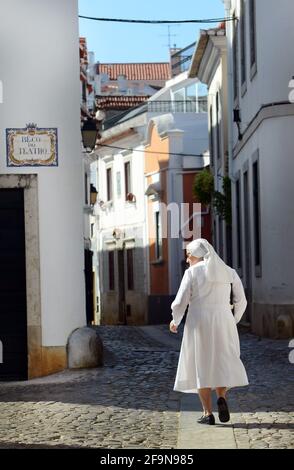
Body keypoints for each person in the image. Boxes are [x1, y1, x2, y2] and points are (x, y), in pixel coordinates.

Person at [169, 238, 248, 425]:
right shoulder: (229, 272)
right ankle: (221, 396)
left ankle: (207, 413)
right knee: (222, 360)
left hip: (199, 321)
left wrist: (175, 320)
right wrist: (233, 319)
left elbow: (180, 302)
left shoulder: (192, 273)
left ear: (197, 256)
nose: (187, 260)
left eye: (189, 256)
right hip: (224, 320)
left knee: (200, 364)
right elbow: (242, 301)